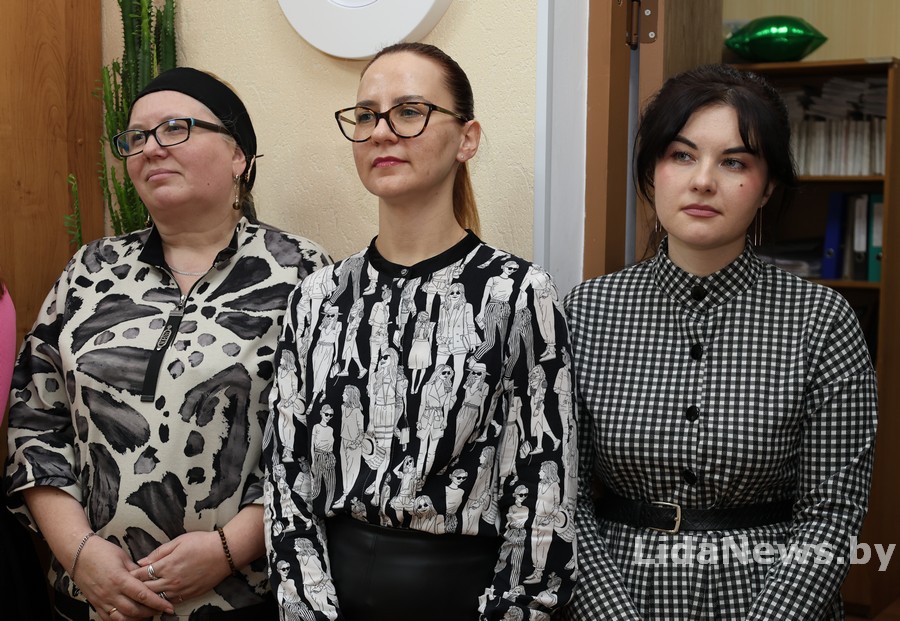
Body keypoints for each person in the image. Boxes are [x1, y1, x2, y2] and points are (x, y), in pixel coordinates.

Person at [264, 42, 577, 620]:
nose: (382, 132)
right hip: (333, 595)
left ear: (467, 138)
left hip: (465, 597)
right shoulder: (316, 297)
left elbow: (543, 490)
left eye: (409, 111)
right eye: (366, 115)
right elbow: (288, 481)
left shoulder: (517, 293)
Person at [4, 67, 330, 620]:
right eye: (136, 137)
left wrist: (227, 550)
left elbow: (319, 442)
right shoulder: (92, 267)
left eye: (176, 128)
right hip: (92, 601)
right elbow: (35, 419)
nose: (151, 148)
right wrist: (81, 555)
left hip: (236, 599)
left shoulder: (302, 272)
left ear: (238, 156)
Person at [561, 64, 878, 619]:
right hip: (616, 590)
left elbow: (832, 514)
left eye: (734, 162)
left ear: (768, 185)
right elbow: (565, 498)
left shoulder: (822, 320)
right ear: (652, 169)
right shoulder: (587, 311)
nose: (704, 180)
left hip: (770, 591)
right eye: (682, 155)